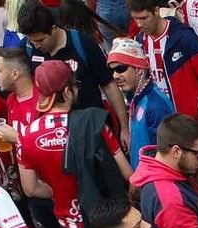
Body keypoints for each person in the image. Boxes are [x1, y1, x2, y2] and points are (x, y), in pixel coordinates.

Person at [18, 60, 132, 228]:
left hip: (70, 224)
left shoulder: (26, 135)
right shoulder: (94, 122)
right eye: (75, 85)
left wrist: (59, 192)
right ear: (67, 91)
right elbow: (127, 173)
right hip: (109, 217)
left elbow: (30, 188)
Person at [17, 1, 129, 142]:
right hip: (55, 136)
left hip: (93, 130)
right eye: (31, 40)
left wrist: (125, 128)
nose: (36, 45)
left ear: (54, 28)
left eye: (40, 40)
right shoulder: (27, 49)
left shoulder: (82, 44)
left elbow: (109, 85)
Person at [128, 0, 198, 122]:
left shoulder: (184, 38)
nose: (139, 24)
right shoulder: (141, 41)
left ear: (157, 11)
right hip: (161, 121)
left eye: (144, 18)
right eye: (135, 19)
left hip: (191, 120)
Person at [108, 37, 173, 170]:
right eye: (112, 71)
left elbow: (166, 158)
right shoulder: (136, 98)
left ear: (138, 69)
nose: (115, 76)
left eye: (120, 68)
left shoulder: (155, 105)